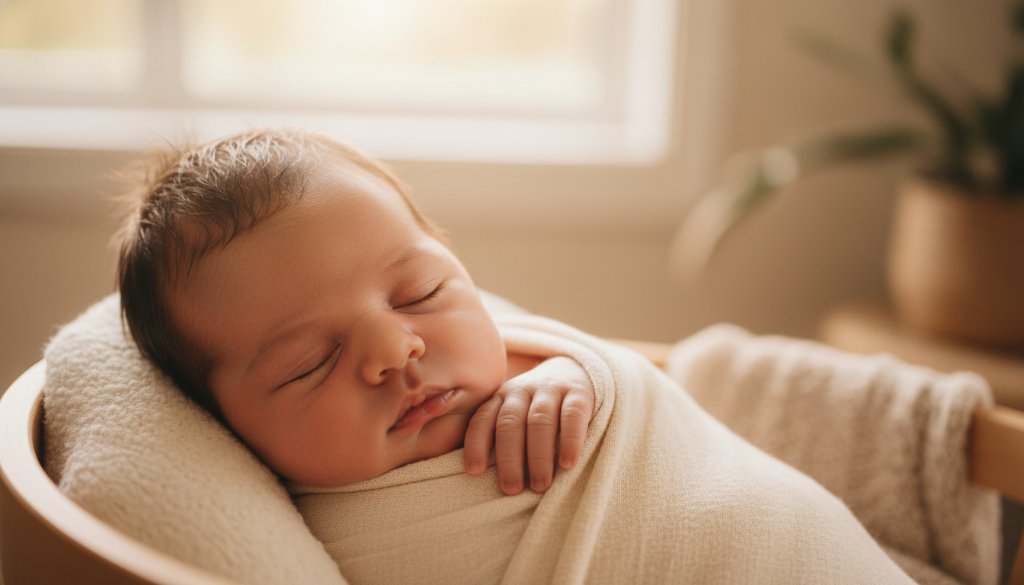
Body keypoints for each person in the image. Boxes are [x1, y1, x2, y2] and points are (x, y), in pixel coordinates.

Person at [116, 128, 595, 496]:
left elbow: (634, 376)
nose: (395, 350)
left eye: (420, 294)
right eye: (310, 364)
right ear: (223, 426)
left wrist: (579, 378)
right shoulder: (278, 527)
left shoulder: (537, 365)